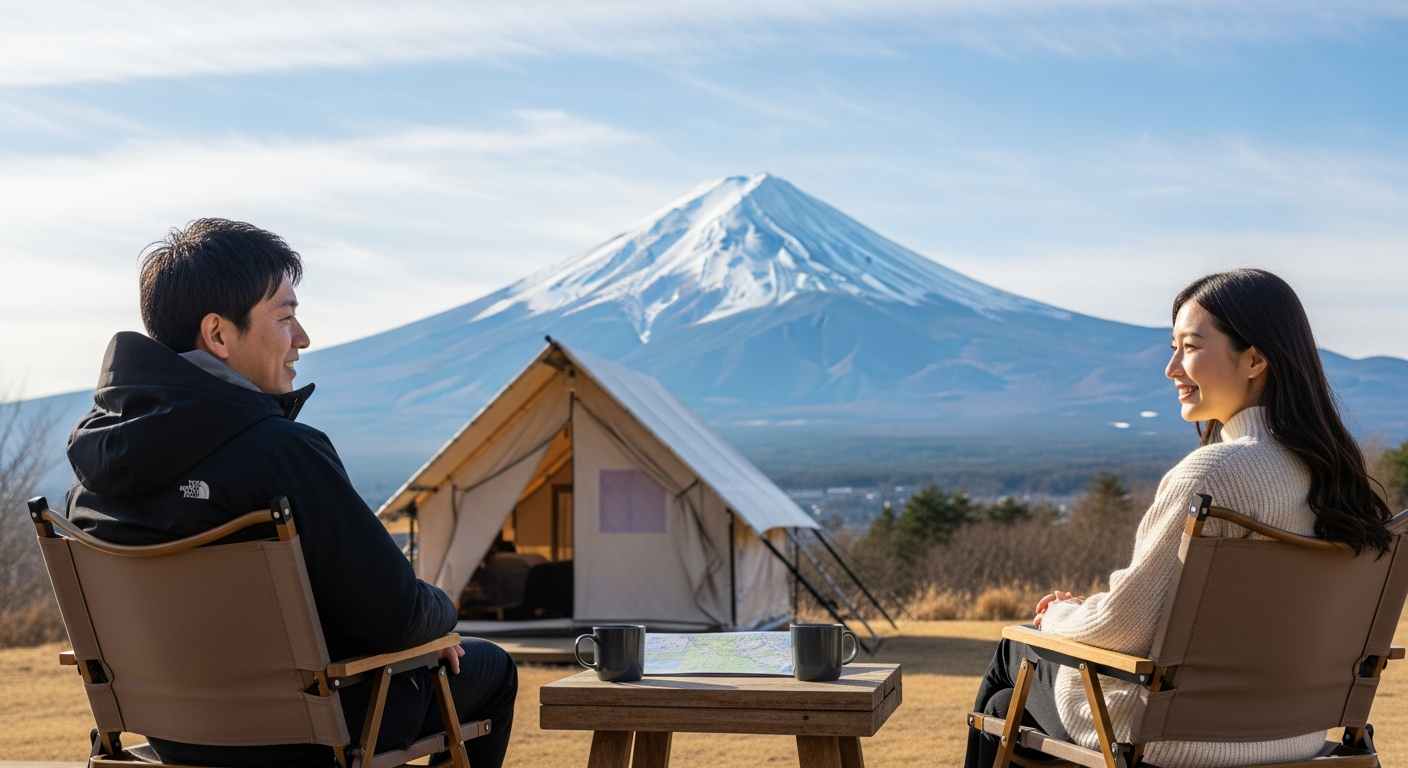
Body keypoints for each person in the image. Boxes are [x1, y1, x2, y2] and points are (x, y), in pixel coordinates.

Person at [65, 219, 517, 768]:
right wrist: (441, 617)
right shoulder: (281, 454)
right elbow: (393, 617)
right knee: (490, 669)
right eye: (285, 317)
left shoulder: (90, 482)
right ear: (218, 335)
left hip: (172, 736)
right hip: (305, 735)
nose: (302, 338)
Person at [964, 269, 1391, 768]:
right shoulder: (1338, 476)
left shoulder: (1215, 473)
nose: (1171, 368)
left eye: (1189, 347)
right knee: (1003, 710)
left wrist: (1058, 615)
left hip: (1173, 740)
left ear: (1255, 360)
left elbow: (1123, 626)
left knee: (1015, 652)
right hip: (1296, 736)